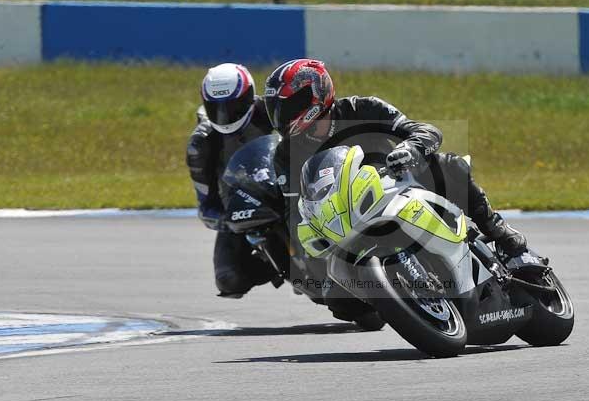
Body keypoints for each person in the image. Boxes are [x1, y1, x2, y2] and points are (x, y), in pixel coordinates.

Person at [264, 58, 527, 277]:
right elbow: (294, 211)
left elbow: (424, 130)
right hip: (345, 220)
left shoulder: (363, 108)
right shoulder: (285, 153)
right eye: (277, 108)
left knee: (448, 165)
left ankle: (497, 229)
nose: (282, 116)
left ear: (316, 94)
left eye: (290, 106)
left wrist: (410, 148)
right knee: (329, 292)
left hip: (399, 186)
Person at [186, 63, 275, 297]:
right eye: (217, 108)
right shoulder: (201, 144)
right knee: (229, 280)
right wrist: (231, 221)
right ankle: (278, 266)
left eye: (233, 106)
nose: (225, 114)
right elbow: (206, 207)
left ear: (249, 96)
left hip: (288, 194)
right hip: (241, 210)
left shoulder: (275, 113)